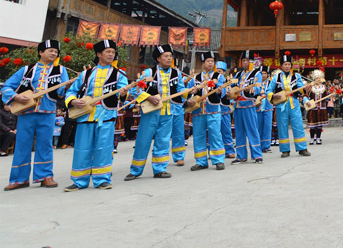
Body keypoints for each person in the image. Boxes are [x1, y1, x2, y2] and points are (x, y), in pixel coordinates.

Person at [2, 39, 70, 190]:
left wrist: (66, 87)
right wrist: (16, 97)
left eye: (56, 51)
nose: (54, 53)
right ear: (40, 52)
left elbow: (60, 93)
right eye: (50, 50)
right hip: (26, 112)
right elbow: (7, 86)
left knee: (45, 144)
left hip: (48, 112)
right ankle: (19, 179)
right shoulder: (27, 69)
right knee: (22, 144)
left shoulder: (61, 70)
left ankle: (45, 176)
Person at [63, 39, 128, 191]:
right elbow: (71, 91)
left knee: (104, 148)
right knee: (82, 148)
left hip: (106, 115)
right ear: (99, 54)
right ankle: (79, 180)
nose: (111, 55)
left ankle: (102, 179)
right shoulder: (87, 74)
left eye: (113, 52)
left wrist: (124, 93)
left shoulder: (119, 74)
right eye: (108, 52)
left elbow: (124, 92)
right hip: (85, 114)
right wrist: (73, 101)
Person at [126, 44, 193, 181]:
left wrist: (189, 93)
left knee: (163, 141)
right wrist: (149, 97)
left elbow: (181, 91)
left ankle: (160, 169)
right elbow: (135, 91)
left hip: (168, 112)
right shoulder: (148, 73)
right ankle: (135, 170)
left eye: (170, 56)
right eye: (166, 56)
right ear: (158, 58)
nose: (169, 59)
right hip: (151, 112)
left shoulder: (176, 74)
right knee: (143, 141)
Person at [187, 52, 227, 171]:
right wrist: (190, 96)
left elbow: (224, 88)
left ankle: (219, 160)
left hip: (213, 109)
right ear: (203, 63)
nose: (210, 63)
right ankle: (201, 161)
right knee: (199, 135)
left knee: (215, 134)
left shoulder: (218, 76)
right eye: (208, 61)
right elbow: (188, 91)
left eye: (212, 61)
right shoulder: (196, 78)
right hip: (199, 110)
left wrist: (220, 91)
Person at [265, 54, 311, 157]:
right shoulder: (275, 77)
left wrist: (305, 91)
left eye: (289, 64)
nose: (287, 66)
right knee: (282, 126)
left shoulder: (296, 76)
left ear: (291, 66)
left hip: (293, 103)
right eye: (285, 64)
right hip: (281, 104)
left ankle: (302, 148)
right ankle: (285, 150)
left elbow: (300, 90)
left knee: (298, 125)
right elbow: (268, 90)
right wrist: (273, 95)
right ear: (281, 66)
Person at [230, 53, 263, 164]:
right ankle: (241, 155)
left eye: (248, 60)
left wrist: (251, 90)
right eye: (244, 60)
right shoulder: (238, 74)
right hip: (238, 106)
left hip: (249, 105)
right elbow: (232, 87)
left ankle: (257, 155)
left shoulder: (256, 74)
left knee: (252, 130)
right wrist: (230, 93)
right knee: (239, 132)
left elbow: (258, 88)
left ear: (253, 62)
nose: (245, 62)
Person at [305, 69, 329, 145]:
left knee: (319, 124)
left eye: (319, 78)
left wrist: (327, 99)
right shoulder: (310, 87)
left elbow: (326, 96)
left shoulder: (324, 87)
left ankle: (318, 138)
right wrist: (307, 101)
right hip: (312, 108)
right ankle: (312, 138)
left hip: (322, 108)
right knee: (312, 124)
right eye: (316, 78)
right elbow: (306, 96)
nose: (318, 79)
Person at [217, 61, 235, 158]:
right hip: (215, 109)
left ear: (224, 73)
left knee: (226, 131)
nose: (219, 73)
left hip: (224, 110)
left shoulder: (227, 83)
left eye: (221, 71)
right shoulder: (214, 82)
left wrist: (230, 98)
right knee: (215, 132)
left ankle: (229, 150)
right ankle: (215, 151)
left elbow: (231, 95)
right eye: (217, 71)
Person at [257, 68, 275, 153]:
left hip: (268, 106)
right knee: (259, 126)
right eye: (262, 73)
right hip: (258, 106)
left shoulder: (270, 83)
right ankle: (258, 145)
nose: (263, 75)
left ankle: (266, 146)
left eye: (265, 73)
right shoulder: (256, 83)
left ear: (268, 75)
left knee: (267, 126)